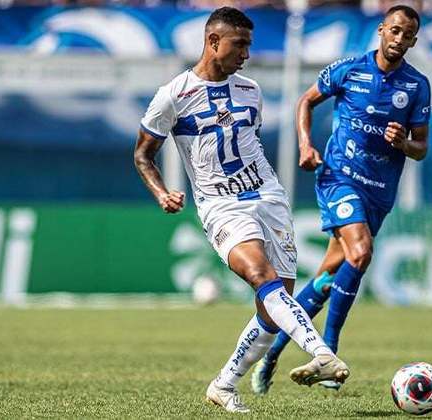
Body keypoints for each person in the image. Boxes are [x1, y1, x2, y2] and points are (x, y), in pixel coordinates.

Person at [133, 7, 349, 413]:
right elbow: (143, 155)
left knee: (274, 305)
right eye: (240, 45)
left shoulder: (250, 90)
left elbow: (250, 146)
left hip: (268, 197)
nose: (247, 54)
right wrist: (162, 192)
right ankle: (321, 353)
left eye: (249, 45)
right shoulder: (173, 95)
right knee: (259, 275)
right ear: (213, 42)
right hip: (220, 205)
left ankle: (224, 384)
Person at [252, 4, 430, 394]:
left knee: (330, 277)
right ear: (382, 30)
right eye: (394, 31)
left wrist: (405, 143)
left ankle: (271, 355)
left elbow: (421, 148)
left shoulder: (417, 86)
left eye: (407, 35)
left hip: (379, 191)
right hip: (338, 177)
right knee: (361, 252)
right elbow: (305, 101)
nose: (399, 40)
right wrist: (305, 145)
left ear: (413, 41)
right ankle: (328, 351)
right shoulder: (349, 69)